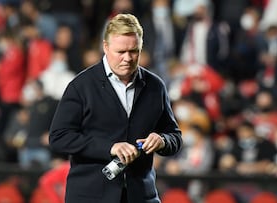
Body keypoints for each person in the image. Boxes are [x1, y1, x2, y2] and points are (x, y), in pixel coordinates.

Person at [49, 13, 182, 203]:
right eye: (120, 52)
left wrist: (162, 140)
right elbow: (59, 137)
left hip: (142, 196)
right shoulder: (81, 86)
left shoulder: (155, 86)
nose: (127, 58)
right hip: (90, 197)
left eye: (134, 51)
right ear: (105, 47)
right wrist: (109, 147)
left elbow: (175, 136)